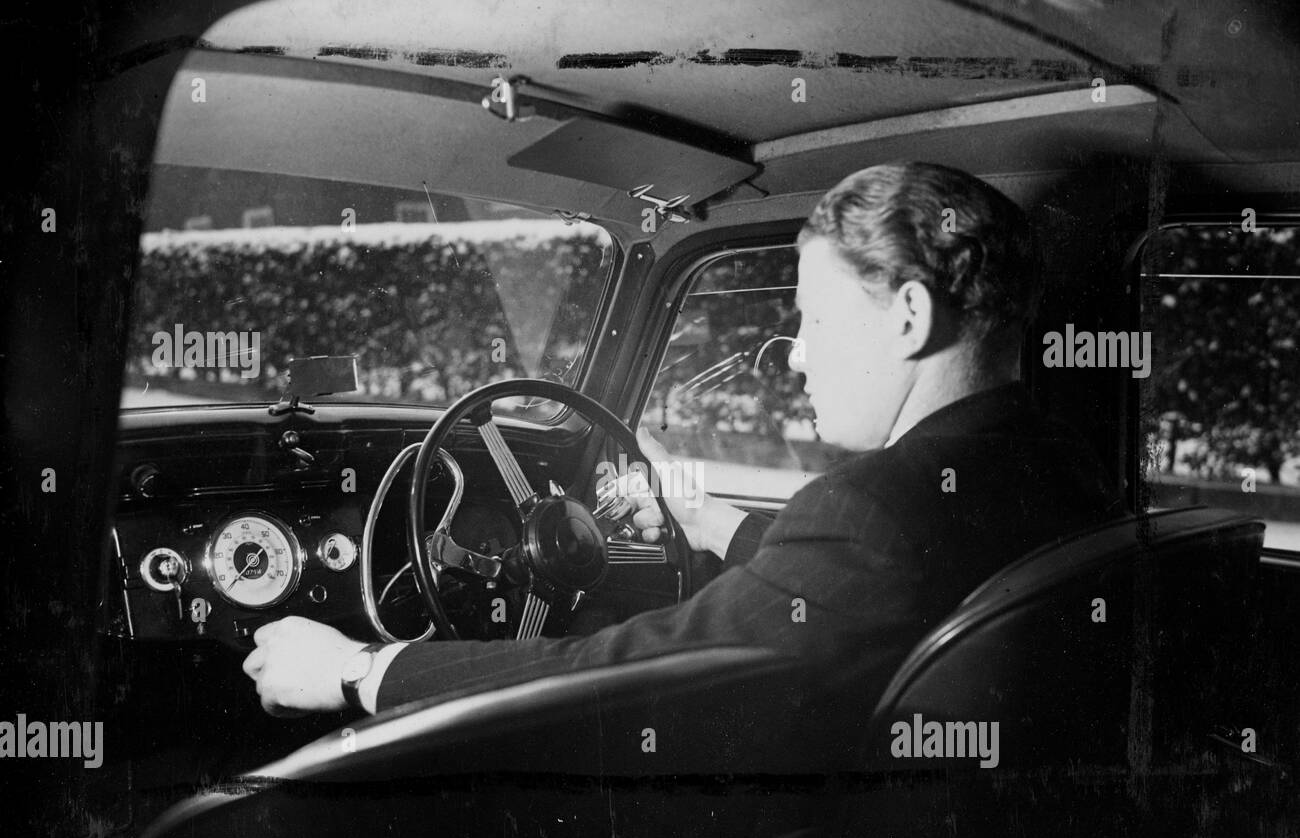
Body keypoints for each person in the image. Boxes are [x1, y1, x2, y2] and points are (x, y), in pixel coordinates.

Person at [242, 162, 1124, 737]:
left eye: (813, 319)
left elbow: (630, 675)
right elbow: (875, 593)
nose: (799, 354)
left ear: (908, 317)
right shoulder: (1064, 465)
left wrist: (361, 669)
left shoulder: (871, 510)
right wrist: (719, 526)